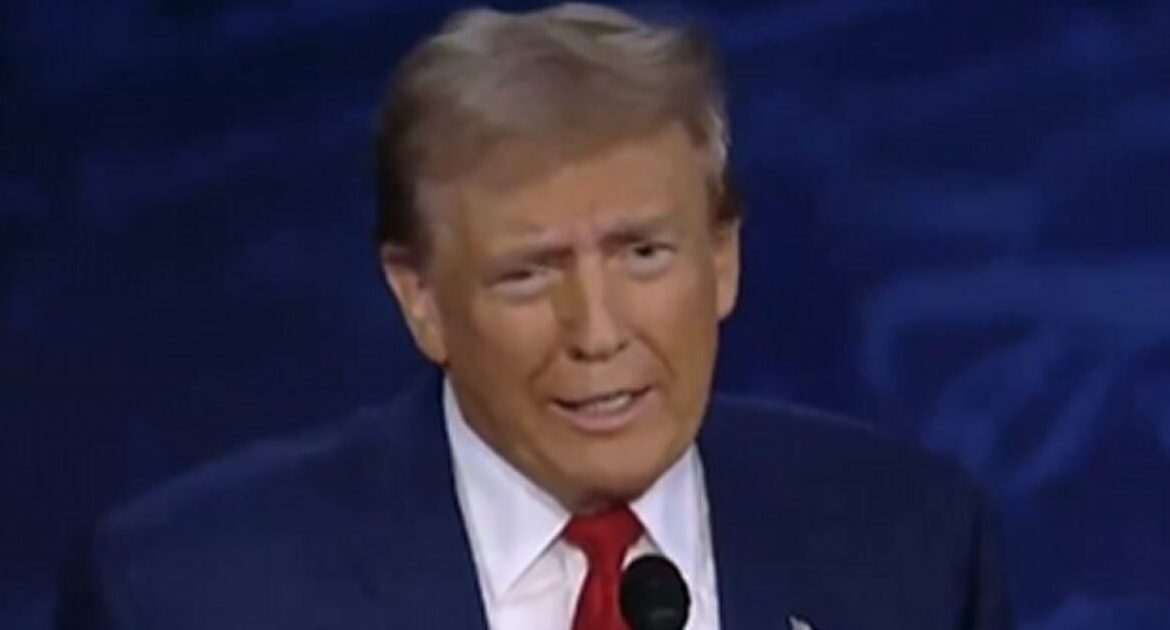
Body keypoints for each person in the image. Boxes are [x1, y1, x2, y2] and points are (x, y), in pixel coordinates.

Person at [54, 4, 1011, 629]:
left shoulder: (912, 543)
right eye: (527, 275)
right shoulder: (192, 593)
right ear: (420, 298)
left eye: (643, 254)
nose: (597, 332)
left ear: (722, 259)